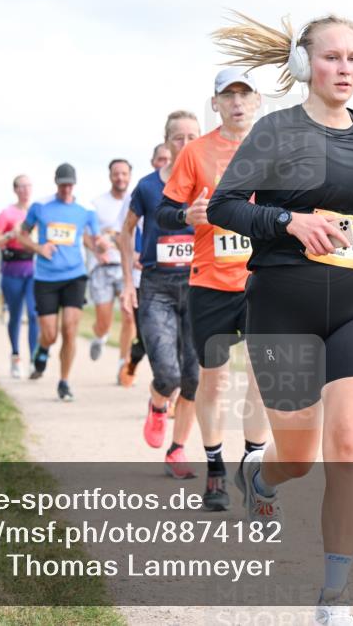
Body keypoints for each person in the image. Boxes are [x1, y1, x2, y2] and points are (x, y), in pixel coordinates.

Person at [207, 13, 353, 623]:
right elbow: (225, 206)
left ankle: (334, 597)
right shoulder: (275, 131)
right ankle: (261, 476)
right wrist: (289, 222)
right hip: (282, 304)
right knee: (300, 457)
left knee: (346, 446)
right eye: (331, 57)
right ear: (304, 65)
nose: (344, 68)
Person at [156, 69, 271, 507]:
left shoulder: (274, 151)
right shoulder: (196, 153)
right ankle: (216, 469)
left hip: (262, 281)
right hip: (210, 282)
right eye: (229, 95)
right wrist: (188, 216)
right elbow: (165, 213)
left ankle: (255, 470)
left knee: (262, 382)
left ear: (257, 101)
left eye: (244, 94)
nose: (237, 102)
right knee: (216, 383)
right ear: (216, 103)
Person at [120, 114, 202, 480]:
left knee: (193, 378)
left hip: (200, 286)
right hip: (156, 286)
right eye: (178, 137)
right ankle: (157, 403)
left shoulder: (210, 183)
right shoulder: (148, 187)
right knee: (167, 373)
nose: (185, 144)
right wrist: (126, 282)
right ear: (166, 142)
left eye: (192, 137)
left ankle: (178, 449)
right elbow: (126, 232)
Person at [17, 163, 107, 401]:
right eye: (62, 184)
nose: (66, 189)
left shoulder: (85, 209)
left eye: (70, 184)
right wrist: (38, 247)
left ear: (74, 184)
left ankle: (64, 381)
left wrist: (101, 247)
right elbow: (21, 234)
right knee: (50, 334)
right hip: (46, 278)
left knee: (70, 328)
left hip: (74, 276)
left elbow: (93, 237)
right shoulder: (40, 206)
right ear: (56, 183)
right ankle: (43, 349)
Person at [118, 143, 171, 388]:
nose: (165, 163)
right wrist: (135, 258)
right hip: (145, 279)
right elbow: (122, 233)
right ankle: (132, 362)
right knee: (147, 337)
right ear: (153, 162)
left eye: (168, 159)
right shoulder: (145, 191)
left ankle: (169, 394)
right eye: (160, 159)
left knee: (176, 340)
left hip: (180, 277)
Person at [88, 159, 137, 384]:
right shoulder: (98, 204)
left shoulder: (136, 201)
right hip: (102, 267)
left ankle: (123, 363)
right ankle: (99, 335)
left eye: (124, 174)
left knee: (129, 315)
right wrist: (96, 247)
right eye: (116, 174)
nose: (120, 178)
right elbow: (85, 235)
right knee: (104, 319)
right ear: (110, 176)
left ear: (129, 176)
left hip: (126, 266)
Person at [0, 174, 38, 379]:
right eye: (21, 186)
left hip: (34, 268)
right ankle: (16, 355)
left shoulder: (38, 211)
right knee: (16, 315)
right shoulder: (7, 213)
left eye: (28, 186)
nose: (26, 190)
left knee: (35, 313)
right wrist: (10, 235)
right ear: (15, 189)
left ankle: (35, 359)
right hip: (12, 268)